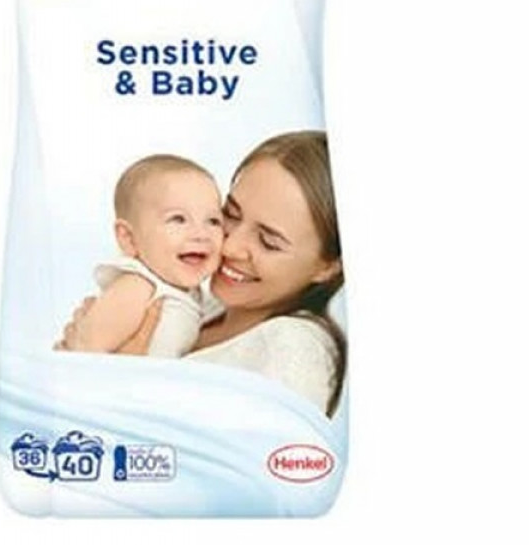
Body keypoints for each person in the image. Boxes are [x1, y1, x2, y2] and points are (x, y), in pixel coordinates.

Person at [61, 131, 346, 416]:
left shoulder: (294, 350)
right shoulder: (198, 303)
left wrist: (117, 384)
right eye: (229, 215)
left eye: (268, 242)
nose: (229, 247)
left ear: (329, 266)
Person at [68, 154, 225, 357]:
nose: (201, 234)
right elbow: (84, 349)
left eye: (213, 221)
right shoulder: (139, 287)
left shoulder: (195, 295)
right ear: (129, 238)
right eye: (178, 219)